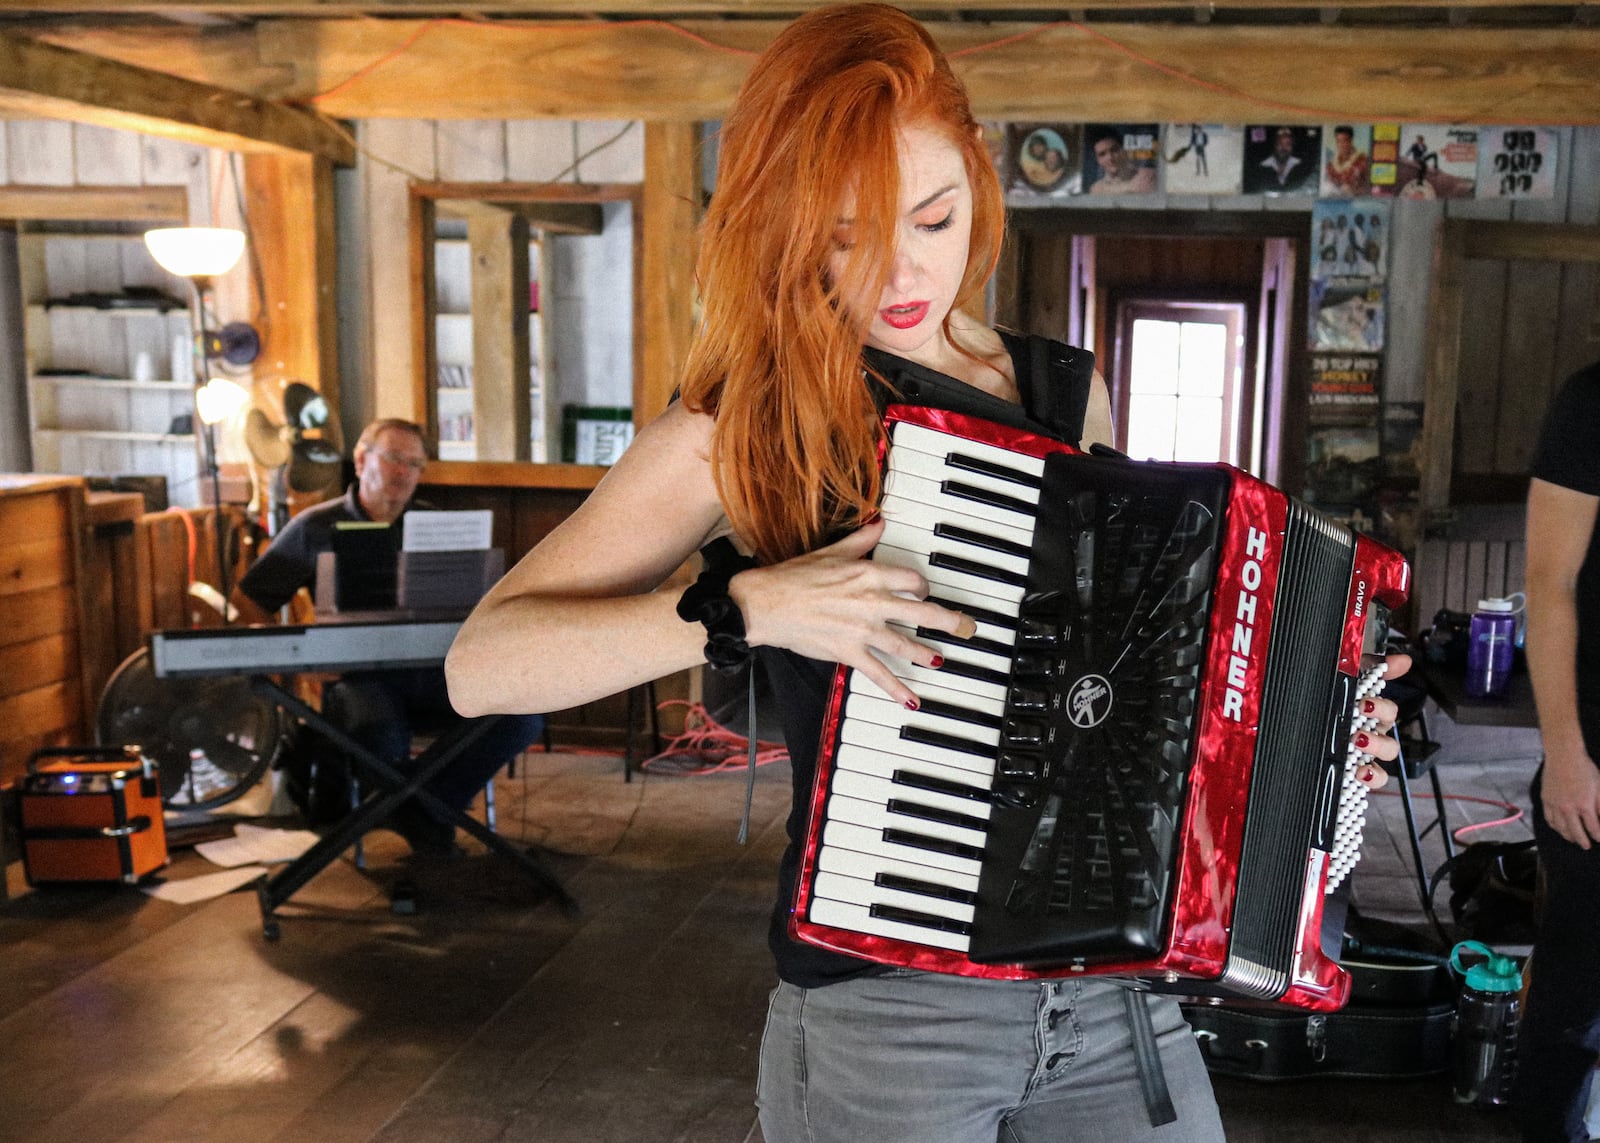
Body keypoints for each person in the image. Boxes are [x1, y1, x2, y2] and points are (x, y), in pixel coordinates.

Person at [446, 7, 1406, 1140]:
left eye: (934, 216)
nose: (901, 271)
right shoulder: (739, 427)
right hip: (891, 1018)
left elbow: (1124, 692)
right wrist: (746, 605)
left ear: (978, 184)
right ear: (784, 227)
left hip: (1106, 998)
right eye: (844, 236)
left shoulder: (1063, 392)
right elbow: (480, 669)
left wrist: (1311, 741)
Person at [238, 417, 544, 854]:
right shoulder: (314, 527)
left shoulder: (438, 527)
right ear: (361, 460)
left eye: (415, 464)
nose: (404, 473)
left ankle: (419, 809)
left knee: (522, 717)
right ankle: (426, 813)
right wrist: (298, 659)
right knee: (378, 734)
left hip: (438, 673)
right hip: (362, 679)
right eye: (394, 459)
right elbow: (249, 598)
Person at [1516, 362, 1600, 1142]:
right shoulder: (1593, 399)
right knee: (1576, 1007)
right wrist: (1566, 753)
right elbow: (1550, 583)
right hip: (1597, 759)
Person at [1088, 127, 1157, 195]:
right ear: (1098, 160)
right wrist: (1131, 187)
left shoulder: (1147, 175)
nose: (1110, 158)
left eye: (1114, 150)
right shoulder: (1096, 188)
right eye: (1102, 154)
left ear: (1124, 151)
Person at [1324, 124, 1370, 197]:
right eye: (1338, 141)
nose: (1341, 145)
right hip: (1336, 204)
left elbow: (1372, 188)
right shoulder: (1331, 165)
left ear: (1351, 141)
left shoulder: (1362, 160)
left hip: (1357, 204)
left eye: (1344, 141)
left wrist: (1353, 191)